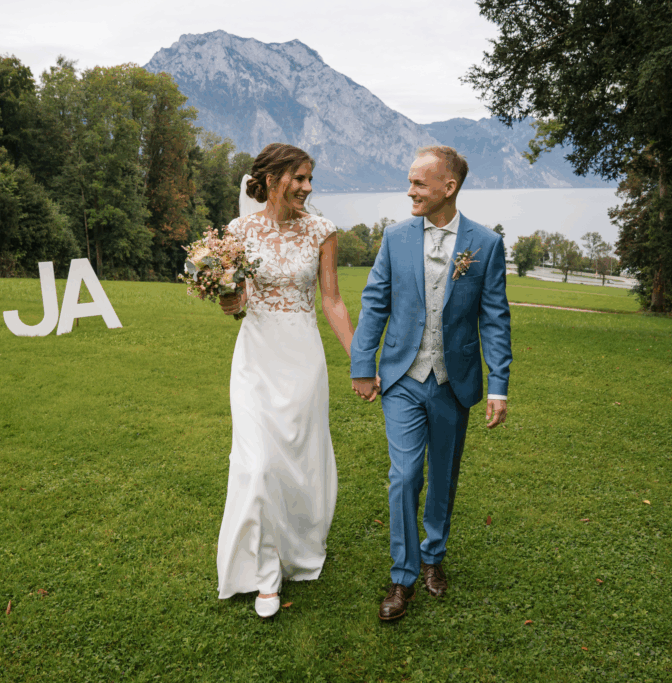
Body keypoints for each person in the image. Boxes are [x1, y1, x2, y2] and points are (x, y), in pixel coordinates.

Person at [350, 145, 512, 621]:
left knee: (442, 476)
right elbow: (375, 301)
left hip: (452, 380)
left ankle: (433, 558)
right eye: (410, 181)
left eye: (420, 183)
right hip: (402, 376)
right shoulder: (395, 237)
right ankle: (402, 578)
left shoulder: (485, 244)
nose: (411, 190)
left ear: (449, 187)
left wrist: (498, 385)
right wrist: (364, 364)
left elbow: (495, 319)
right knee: (404, 475)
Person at [216, 143, 356, 618]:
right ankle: (264, 573)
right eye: (299, 178)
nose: (308, 187)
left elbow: (332, 302)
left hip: (303, 358)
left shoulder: (322, 231)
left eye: (310, 178)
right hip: (256, 358)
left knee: (297, 460)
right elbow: (235, 301)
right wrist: (226, 298)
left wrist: (360, 361)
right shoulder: (238, 231)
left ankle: (296, 547)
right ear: (273, 179)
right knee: (255, 465)